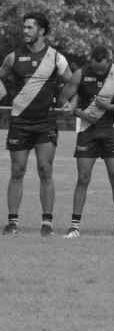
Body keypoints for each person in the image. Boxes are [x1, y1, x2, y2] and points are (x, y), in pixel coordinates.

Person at [0, 12, 72, 236]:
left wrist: (71, 101)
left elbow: (72, 82)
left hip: (45, 122)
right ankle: (12, 222)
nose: (25, 31)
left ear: (42, 31)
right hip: (20, 122)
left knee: (45, 169)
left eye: (30, 28)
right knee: (17, 170)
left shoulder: (56, 57)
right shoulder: (13, 57)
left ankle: (47, 223)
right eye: (24, 27)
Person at [60, 45, 114, 239]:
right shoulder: (80, 73)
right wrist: (73, 109)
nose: (100, 73)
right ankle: (74, 226)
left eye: (103, 70)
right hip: (87, 131)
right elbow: (64, 97)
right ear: (91, 61)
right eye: (96, 69)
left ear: (108, 61)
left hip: (111, 132)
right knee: (83, 178)